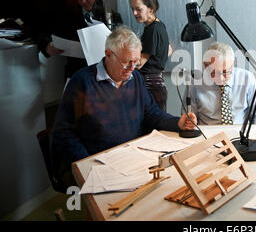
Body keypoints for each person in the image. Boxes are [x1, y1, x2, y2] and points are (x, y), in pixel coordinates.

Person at [51, 27, 197, 186]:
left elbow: (152, 113)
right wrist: (87, 166)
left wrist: (178, 123)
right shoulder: (82, 82)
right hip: (99, 163)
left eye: (136, 62)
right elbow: (63, 132)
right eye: (127, 62)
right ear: (108, 54)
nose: (132, 68)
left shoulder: (135, 78)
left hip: (132, 159)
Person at [33, 0, 121, 79]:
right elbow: (39, 32)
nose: (84, 1)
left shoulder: (113, 17)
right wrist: (47, 46)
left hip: (105, 76)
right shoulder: (66, 16)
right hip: (77, 75)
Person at [183, 42, 256, 125]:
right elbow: (188, 118)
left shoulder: (247, 78)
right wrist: (189, 123)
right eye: (214, 72)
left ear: (233, 64)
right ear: (206, 66)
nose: (221, 78)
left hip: (239, 134)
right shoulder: (194, 83)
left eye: (226, 72)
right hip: (208, 135)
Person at [129, 0, 170, 112]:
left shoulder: (152, 30)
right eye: (132, 9)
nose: (134, 13)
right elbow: (169, 50)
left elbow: (140, 64)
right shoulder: (160, 26)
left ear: (151, 9)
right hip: (157, 83)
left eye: (138, 9)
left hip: (150, 85)